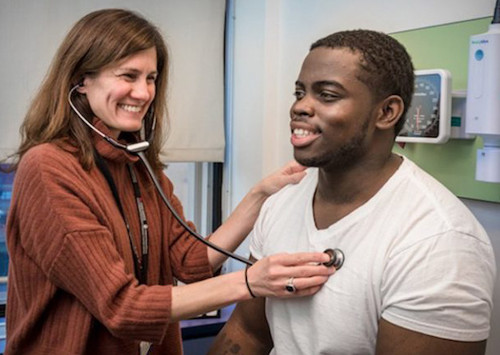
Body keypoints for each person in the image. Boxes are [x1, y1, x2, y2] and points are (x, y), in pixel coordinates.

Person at [3, 9, 336, 355]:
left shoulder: (138, 164)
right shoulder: (48, 168)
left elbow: (192, 261)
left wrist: (260, 194)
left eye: (151, 78)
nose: (144, 92)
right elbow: (123, 307)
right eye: (128, 75)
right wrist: (252, 281)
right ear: (81, 81)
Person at [209, 29, 497, 355]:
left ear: (386, 113)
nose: (300, 107)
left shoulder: (439, 242)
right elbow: (248, 332)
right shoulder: (281, 202)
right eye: (299, 93)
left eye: (327, 95)